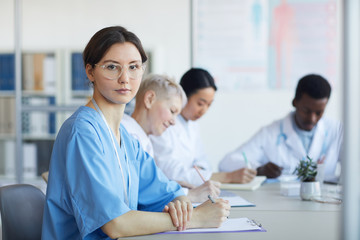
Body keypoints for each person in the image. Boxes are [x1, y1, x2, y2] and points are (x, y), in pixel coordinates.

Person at [42, 26, 230, 239]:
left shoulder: (125, 138)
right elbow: (115, 224)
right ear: (90, 71)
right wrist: (197, 218)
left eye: (133, 67)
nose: (125, 78)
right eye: (112, 67)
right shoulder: (83, 133)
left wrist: (183, 206)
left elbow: (170, 192)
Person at [219, 74, 343, 181]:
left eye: (319, 112)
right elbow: (226, 163)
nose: (312, 119)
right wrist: (259, 169)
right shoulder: (270, 133)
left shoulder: (336, 131)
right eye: (306, 110)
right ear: (294, 102)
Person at [121, 73, 221, 202]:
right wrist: (188, 195)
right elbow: (136, 192)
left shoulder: (144, 138)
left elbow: (148, 182)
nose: (173, 122)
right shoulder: (128, 135)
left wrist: (174, 185)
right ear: (150, 99)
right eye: (172, 111)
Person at [150, 68, 257, 188]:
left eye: (209, 104)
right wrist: (228, 177)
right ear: (184, 96)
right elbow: (171, 172)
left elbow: (202, 160)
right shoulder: (163, 123)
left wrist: (198, 172)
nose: (204, 110)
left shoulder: (192, 125)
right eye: (200, 103)